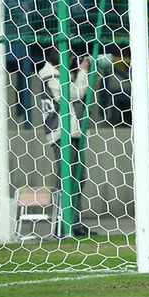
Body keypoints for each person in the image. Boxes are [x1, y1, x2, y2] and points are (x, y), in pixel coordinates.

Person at [38, 47, 94, 237]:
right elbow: (72, 93)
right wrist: (84, 71)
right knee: (66, 179)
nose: (72, 63)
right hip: (61, 133)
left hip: (70, 132)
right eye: (71, 59)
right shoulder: (50, 76)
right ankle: (62, 225)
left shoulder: (56, 74)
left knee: (77, 177)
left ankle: (74, 223)